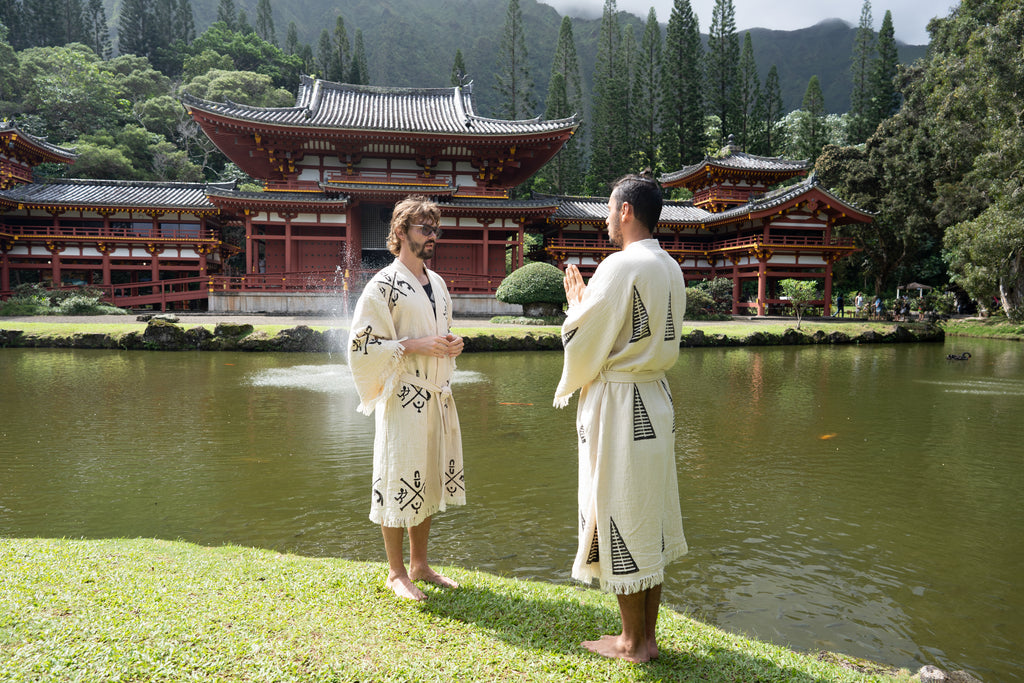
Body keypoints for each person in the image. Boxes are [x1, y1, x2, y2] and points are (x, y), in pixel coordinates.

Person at [554, 174, 688, 663]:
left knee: (620, 511)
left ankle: (632, 642)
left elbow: (584, 342)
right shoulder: (670, 266)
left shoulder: (619, 266)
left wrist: (575, 306)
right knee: (645, 514)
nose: (605, 219)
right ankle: (646, 637)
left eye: (609, 210)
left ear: (627, 211)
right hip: (655, 399)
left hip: (620, 403)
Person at [347, 195, 465, 601]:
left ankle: (420, 565)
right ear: (400, 233)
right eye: (425, 230)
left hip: (435, 396)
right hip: (403, 397)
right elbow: (362, 344)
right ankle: (396, 572)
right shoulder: (382, 285)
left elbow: (442, 329)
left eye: (436, 230)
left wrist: (453, 343)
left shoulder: (438, 283)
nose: (433, 237)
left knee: (427, 478)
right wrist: (413, 345)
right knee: (397, 476)